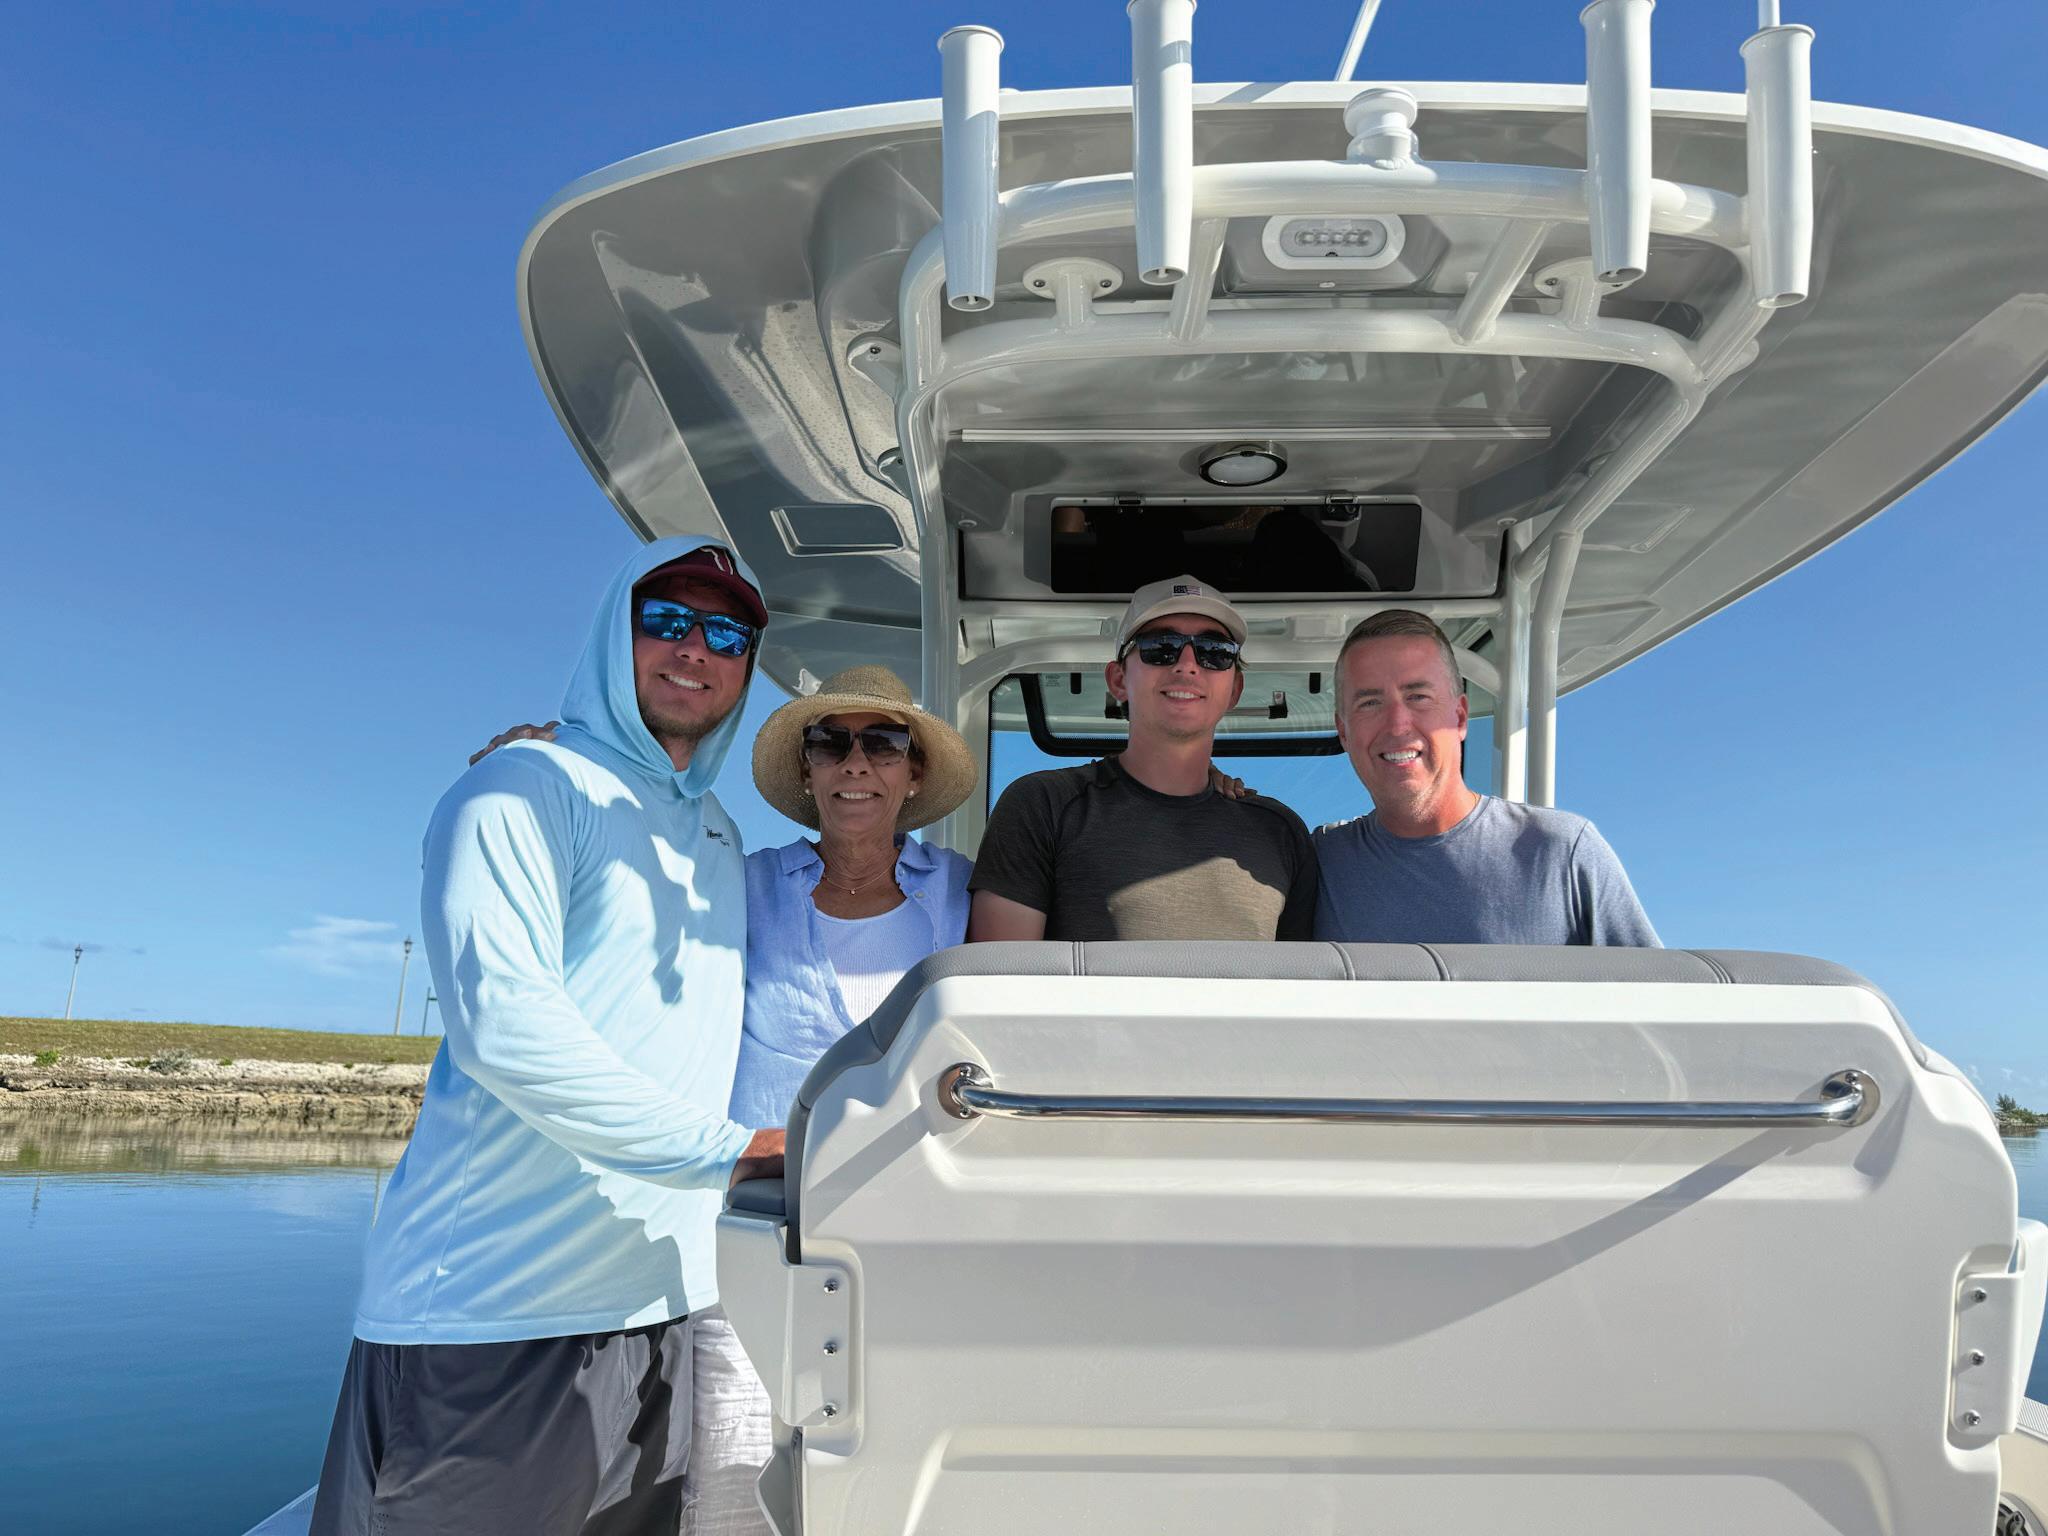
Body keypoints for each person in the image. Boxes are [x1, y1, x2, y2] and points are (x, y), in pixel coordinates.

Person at [310, 539, 785, 1536]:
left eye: (725, 634)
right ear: (613, 636)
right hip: (493, 1319)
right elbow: (504, 1026)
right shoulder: (523, 784)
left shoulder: (719, 834)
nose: (694, 649)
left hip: (663, 1306)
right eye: (666, 621)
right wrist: (734, 1151)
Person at [693, 664, 979, 1531]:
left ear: (913, 773)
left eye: (883, 743)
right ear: (809, 769)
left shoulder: (967, 892)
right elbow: (634, 867)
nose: (857, 762)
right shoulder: (739, 883)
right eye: (832, 742)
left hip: (917, 1250)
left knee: (893, 1495)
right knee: (731, 1489)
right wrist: (558, 760)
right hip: (759, 1245)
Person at [968, 575, 1317, 941]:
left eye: (1215, 651)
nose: (1187, 665)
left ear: (1235, 690)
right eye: (1161, 646)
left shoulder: (1282, 832)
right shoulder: (1041, 807)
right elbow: (1002, 973)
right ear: (1118, 680)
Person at [1313, 609, 1659, 946]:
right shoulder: (1317, 865)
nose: (1397, 724)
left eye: (1418, 697)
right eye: (1370, 703)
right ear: (1343, 732)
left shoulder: (1563, 853)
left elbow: (1657, 986)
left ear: (1460, 718)